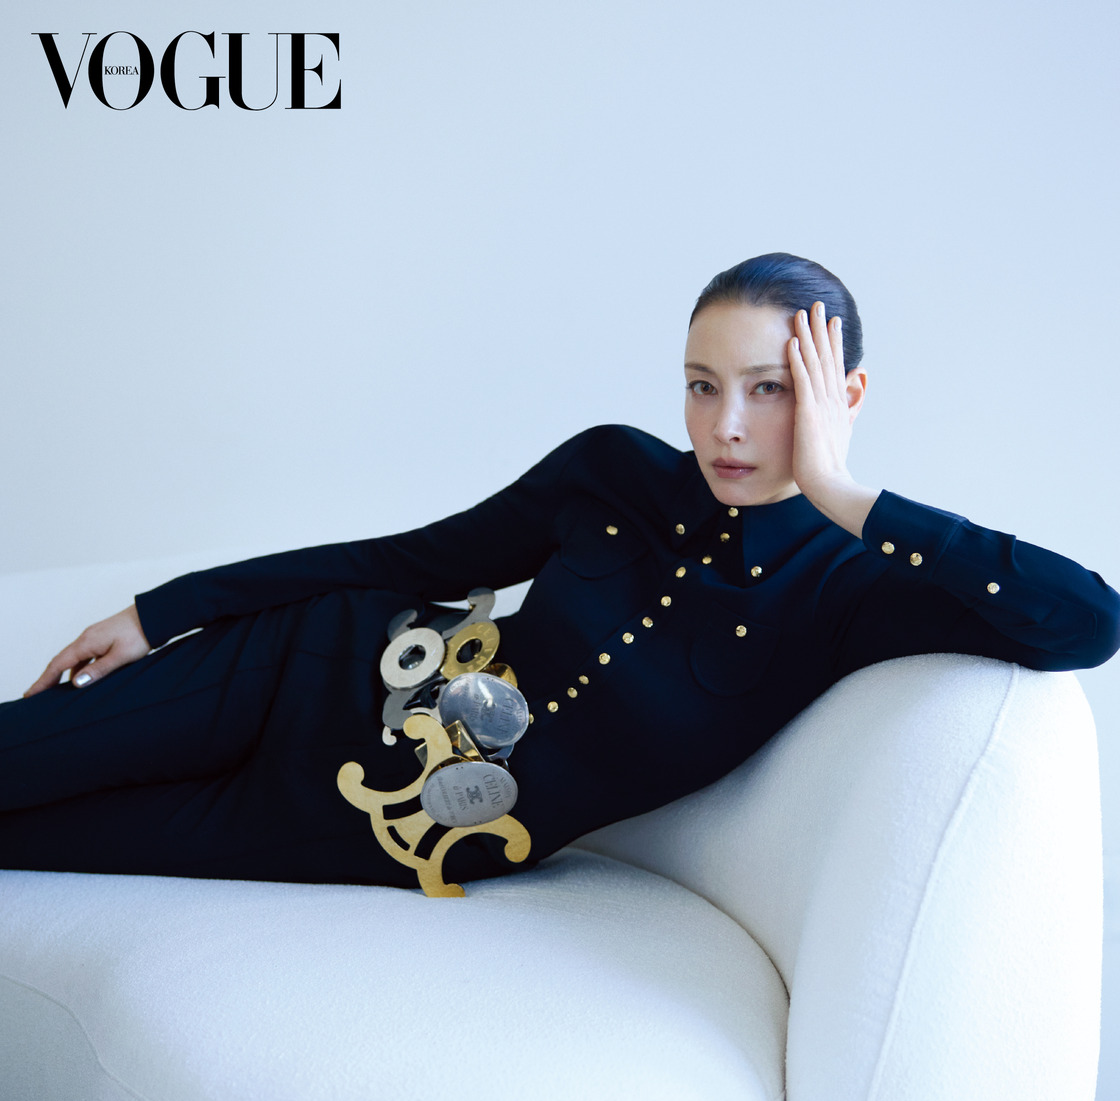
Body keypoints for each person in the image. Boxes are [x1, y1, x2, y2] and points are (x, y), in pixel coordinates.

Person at [4, 253, 1119, 894]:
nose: (724, 426)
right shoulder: (612, 469)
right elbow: (405, 560)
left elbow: (1086, 619)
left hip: (384, 829)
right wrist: (162, 611)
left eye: (769, 389)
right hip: (301, 666)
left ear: (843, 395)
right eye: (701, 385)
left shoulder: (852, 591)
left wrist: (839, 488)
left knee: (34, 843)